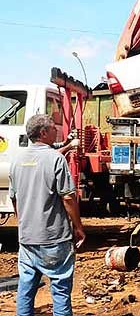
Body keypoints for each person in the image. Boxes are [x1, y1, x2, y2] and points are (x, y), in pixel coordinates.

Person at [8, 114, 86, 316]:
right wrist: (78, 228)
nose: (56, 130)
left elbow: (14, 198)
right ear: (43, 133)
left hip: (27, 239)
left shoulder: (17, 161)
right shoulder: (56, 159)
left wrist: (23, 223)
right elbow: (68, 198)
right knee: (60, 291)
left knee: (25, 290)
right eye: (52, 127)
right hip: (54, 239)